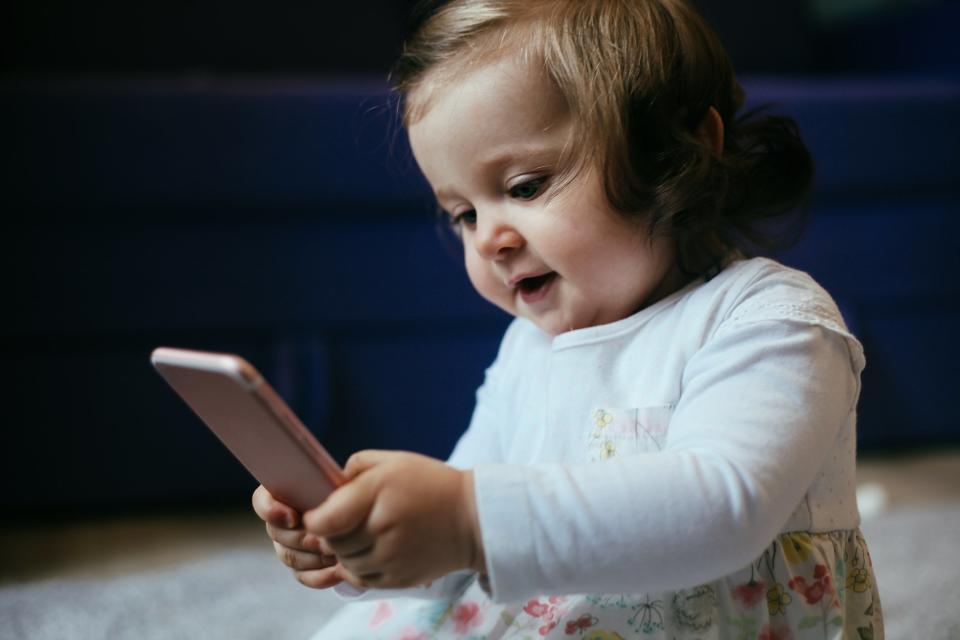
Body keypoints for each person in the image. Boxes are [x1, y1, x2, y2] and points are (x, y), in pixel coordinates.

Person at [252, 0, 884, 637]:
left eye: (525, 186)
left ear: (678, 150)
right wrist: (367, 547)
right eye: (463, 214)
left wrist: (468, 518)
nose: (488, 239)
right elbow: (457, 553)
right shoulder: (525, 349)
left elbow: (725, 511)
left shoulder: (770, 320)